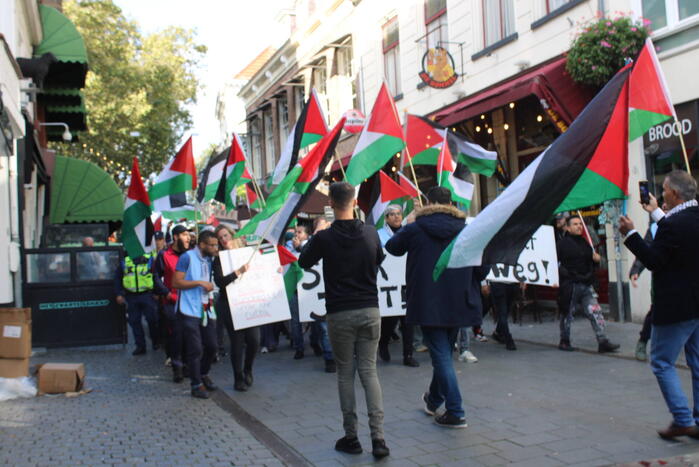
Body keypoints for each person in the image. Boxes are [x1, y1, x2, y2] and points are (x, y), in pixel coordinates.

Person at [298, 182, 389, 458]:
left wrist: (320, 235)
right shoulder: (371, 233)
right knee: (369, 371)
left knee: (345, 374)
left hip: (340, 312)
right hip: (370, 309)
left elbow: (303, 261)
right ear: (355, 201)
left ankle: (351, 436)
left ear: (331, 203)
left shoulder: (325, 238)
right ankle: (378, 438)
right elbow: (380, 258)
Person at [386, 186, 487, 429]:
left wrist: (409, 222)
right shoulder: (466, 230)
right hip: (459, 300)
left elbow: (392, 248)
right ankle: (434, 400)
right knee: (443, 355)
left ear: (428, 203)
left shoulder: (416, 228)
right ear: (451, 203)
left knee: (441, 356)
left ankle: (455, 411)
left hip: (428, 300)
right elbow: (482, 269)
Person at [619, 170, 699, 440]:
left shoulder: (675, 225)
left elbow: (654, 259)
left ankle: (682, 418)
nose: (661, 193)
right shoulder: (687, 219)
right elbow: (674, 231)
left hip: (675, 307)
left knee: (662, 362)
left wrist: (630, 235)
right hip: (696, 305)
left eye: (664, 190)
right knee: (697, 363)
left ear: (674, 194)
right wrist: (654, 212)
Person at [556, 215, 619, 353]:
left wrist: (596, 260)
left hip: (586, 284)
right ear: (567, 227)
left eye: (580, 224)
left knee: (595, 311)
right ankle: (564, 340)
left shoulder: (585, 243)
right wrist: (568, 276)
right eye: (575, 224)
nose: (579, 226)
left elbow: (591, 264)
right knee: (567, 313)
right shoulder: (562, 244)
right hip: (571, 285)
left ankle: (602, 341)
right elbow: (557, 265)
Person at [172, 230, 220, 399]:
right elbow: (175, 282)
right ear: (202, 245)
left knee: (213, 346)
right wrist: (199, 282)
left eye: (216, 244)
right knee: (195, 349)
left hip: (207, 308)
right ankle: (196, 384)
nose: (215, 248)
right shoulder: (187, 257)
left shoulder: (211, 258)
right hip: (189, 309)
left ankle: (203, 373)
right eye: (212, 245)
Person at [376, 205, 419, 367]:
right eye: (392, 214)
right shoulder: (379, 235)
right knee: (390, 320)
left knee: (408, 320)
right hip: (388, 284)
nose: (396, 217)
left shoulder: (410, 232)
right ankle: (383, 342)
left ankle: (408, 355)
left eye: (399, 214)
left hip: (407, 281)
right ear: (386, 218)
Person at [213, 225, 253, 391]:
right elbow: (220, 282)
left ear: (232, 235)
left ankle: (248, 368)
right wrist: (237, 272)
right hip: (229, 305)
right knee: (236, 342)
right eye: (220, 238)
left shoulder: (247, 252)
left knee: (254, 340)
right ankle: (238, 378)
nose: (224, 240)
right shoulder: (219, 259)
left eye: (225, 235)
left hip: (250, 302)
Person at [154, 225, 190, 382]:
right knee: (176, 335)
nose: (188, 237)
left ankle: (189, 365)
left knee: (190, 335)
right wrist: (166, 293)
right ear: (175, 237)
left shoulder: (191, 255)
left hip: (190, 301)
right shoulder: (164, 255)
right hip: (172, 302)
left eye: (189, 234)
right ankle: (177, 367)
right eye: (184, 235)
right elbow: (155, 277)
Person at [115, 250, 161, 355]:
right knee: (134, 321)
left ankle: (155, 341)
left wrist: (157, 292)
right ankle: (140, 346)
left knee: (152, 319)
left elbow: (156, 276)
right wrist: (119, 294)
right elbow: (118, 278)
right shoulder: (125, 261)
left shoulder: (149, 259)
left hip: (147, 295)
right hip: (131, 296)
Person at [629, 220, 660, 361]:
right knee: (656, 311)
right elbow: (646, 249)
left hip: (689, 278)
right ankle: (643, 341)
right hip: (662, 278)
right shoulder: (656, 227)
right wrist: (636, 270)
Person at [485, 281, 522, 351]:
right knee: (503, 312)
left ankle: (498, 332)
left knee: (505, 312)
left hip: (510, 284)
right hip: (502, 284)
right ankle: (508, 339)